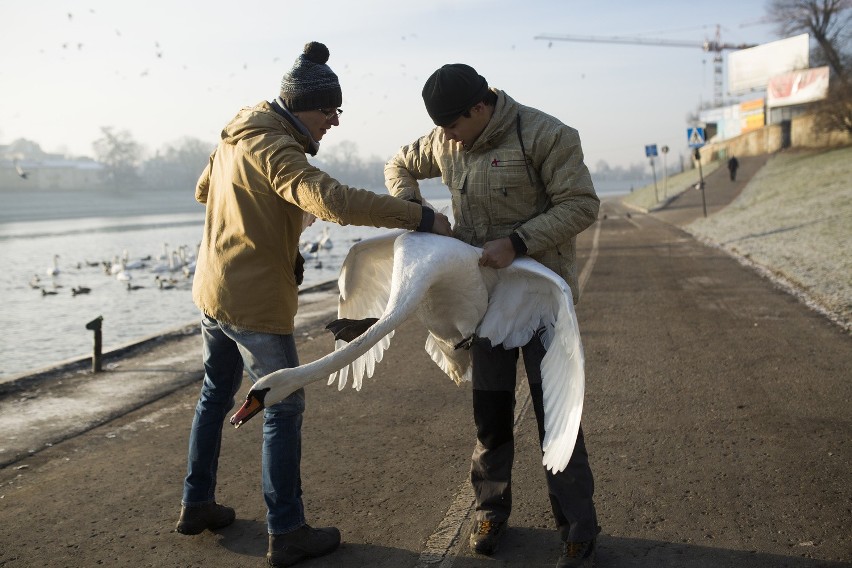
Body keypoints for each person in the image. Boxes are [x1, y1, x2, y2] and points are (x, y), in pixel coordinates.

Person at [175, 41, 451, 568]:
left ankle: (197, 502)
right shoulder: (277, 150)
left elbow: (203, 190)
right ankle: (288, 530)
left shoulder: (238, 131)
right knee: (283, 403)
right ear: (302, 106)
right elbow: (334, 201)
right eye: (330, 111)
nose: (334, 122)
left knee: (215, 393)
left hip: (212, 290)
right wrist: (420, 219)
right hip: (253, 302)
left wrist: (270, 224)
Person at [384, 63, 601, 568]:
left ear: (480, 108)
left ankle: (578, 529)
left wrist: (519, 242)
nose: (445, 138)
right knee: (490, 416)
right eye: (440, 128)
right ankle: (490, 510)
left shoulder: (546, 135)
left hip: (542, 302)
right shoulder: (444, 141)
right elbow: (398, 164)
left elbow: (582, 204)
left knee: (557, 418)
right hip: (485, 306)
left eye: (453, 125)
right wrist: (418, 215)